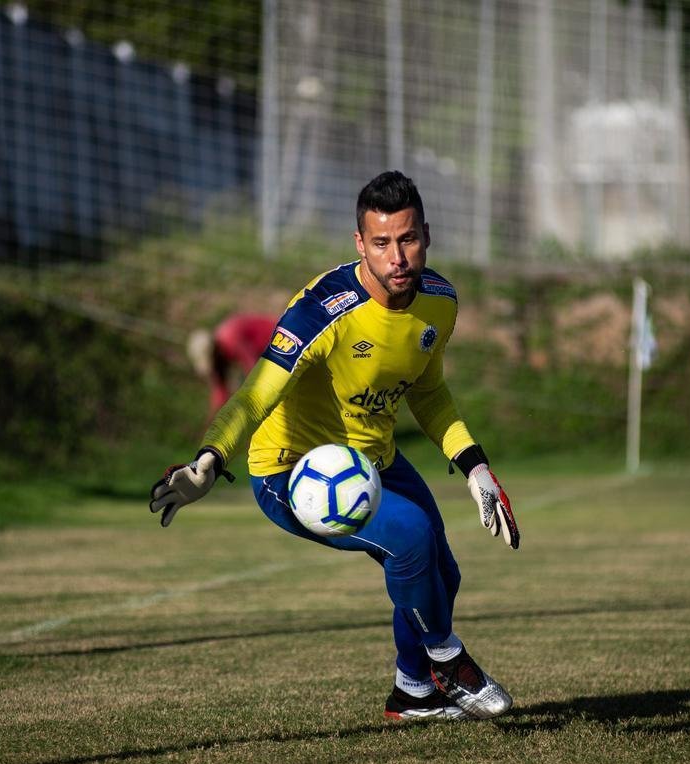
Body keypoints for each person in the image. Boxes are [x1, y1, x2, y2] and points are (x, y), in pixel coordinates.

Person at [151, 171, 522, 719]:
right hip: (291, 474)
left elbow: (430, 391)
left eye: (408, 238)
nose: (397, 257)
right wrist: (209, 459)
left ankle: (412, 693)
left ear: (427, 235)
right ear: (359, 244)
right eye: (381, 243)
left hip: (376, 461)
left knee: (444, 577)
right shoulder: (321, 312)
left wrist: (475, 468)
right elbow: (253, 397)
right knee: (412, 539)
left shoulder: (440, 301)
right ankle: (448, 661)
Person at [187, 313, 278, 416]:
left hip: (278, 340)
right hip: (266, 354)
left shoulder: (230, 339)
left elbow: (254, 371)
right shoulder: (218, 356)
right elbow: (220, 392)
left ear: (214, 351)